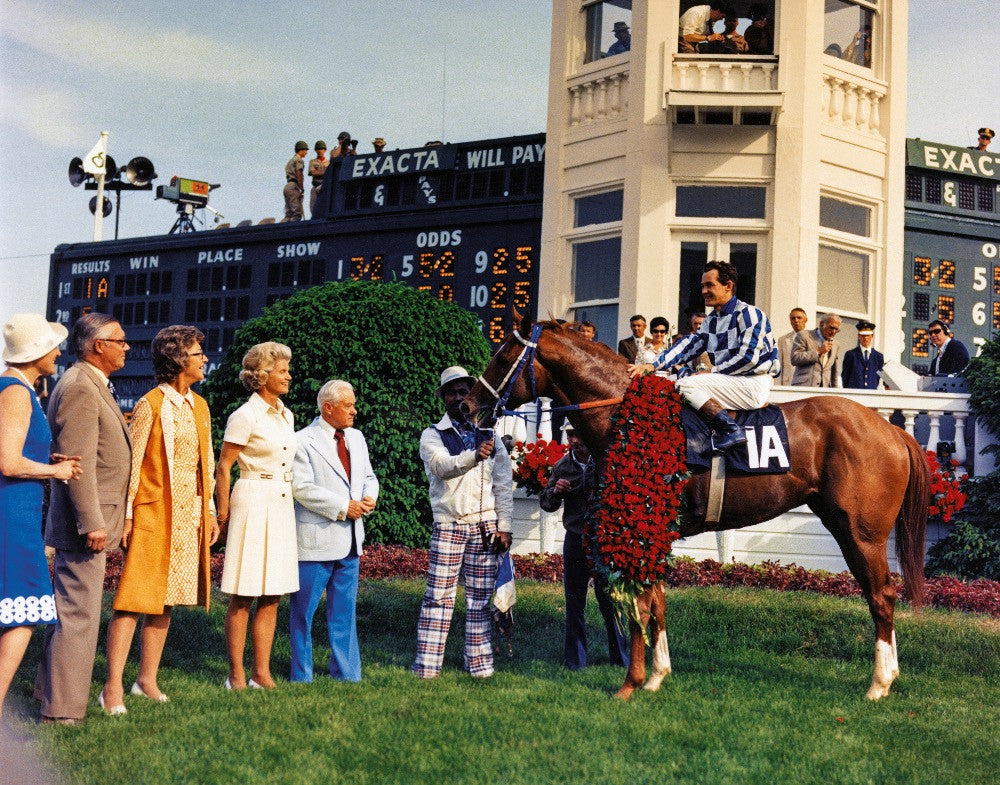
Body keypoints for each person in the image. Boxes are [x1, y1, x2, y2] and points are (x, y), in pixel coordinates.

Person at [99, 325, 219, 713]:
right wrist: (130, 516)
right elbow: (133, 465)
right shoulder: (150, 404)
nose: (204, 359)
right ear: (178, 359)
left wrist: (211, 510)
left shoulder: (200, 406)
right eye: (198, 353)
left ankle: (146, 680)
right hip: (152, 512)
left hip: (190, 514)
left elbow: (209, 463)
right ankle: (112, 687)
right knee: (134, 598)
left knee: (166, 598)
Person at [35, 312, 131, 725]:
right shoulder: (80, 387)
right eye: (120, 341)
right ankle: (62, 711)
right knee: (79, 615)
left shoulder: (89, 383)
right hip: (86, 524)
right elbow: (78, 464)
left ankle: (48, 692)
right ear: (98, 346)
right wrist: (92, 521)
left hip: (94, 518)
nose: (127, 347)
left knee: (71, 612)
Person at [0, 315, 80, 726]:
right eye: (52, 346)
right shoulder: (15, 391)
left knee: (15, 609)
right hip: (11, 515)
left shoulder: (17, 389)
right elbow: (8, 462)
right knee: (24, 611)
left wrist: (47, 460)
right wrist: (56, 472)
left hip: (17, 510)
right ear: (34, 354)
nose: (58, 353)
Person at [412, 367, 513, 679]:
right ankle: (427, 667)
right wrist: (474, 456)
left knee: (481, 599)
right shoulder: (432, 434)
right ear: (443, 397)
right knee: (438, 597)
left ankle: (479, 666)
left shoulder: (490, 435)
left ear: (472, 396)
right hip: (449, 523)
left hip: (486, 526)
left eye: (464, 392)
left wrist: (505, 525)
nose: (459, 398)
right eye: (452, 392)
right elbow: (443, 467)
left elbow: (504, 484)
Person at [216, 343, 300, 690]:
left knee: (273, 593)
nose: (288, 376)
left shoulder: (287, 414)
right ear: (263, 376)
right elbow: (224, 466)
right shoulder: (244, 416)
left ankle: (260, 673)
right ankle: (236, 673)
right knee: (244, 592)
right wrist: (222, 514)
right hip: (251, 501)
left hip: (281, 504)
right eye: (282, 371)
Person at [629, 261, 778, 453]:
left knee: (684, 385)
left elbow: (748, 358)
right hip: (730, 381)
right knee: (668, 380)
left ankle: (731, 429)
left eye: (709, 285)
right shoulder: (712, 320)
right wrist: (651, 366)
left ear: (728, 286)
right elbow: (687, 346)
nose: (704, 291)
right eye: (702, 286)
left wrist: (710, 371)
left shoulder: (750, 314)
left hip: (752, 383)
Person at [290, 380, 378, 683]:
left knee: (345, 614)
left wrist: (370, 496)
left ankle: (348, 675)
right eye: (348, 405)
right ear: (328, 408)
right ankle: (302, 675)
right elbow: (301, 488)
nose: (355, 410)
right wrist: (343, 506)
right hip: (315, 543)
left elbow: (368, 476)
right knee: (303, 614)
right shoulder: (301, 440)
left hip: (351, 541)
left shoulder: (357, 438)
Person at [540, 422, 627, 671]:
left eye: (579, 433)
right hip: (575, 540)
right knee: (574, 602)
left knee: (611, 601)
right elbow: (546, 503)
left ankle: (621, 660)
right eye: (570, 435)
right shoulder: (562, 467)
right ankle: (575, 662)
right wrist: (556, 492)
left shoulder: (605, 461)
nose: (575, 440)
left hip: (604, 542)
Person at [791, 313, 843, 387]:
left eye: (836, 329)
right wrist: (818, 351)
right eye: (831, 328)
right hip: (804, 387)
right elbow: (795, 358)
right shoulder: (803, 335)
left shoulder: (836, 344)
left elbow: (834, 371)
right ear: (821, 324)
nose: (834, 332)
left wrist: (835, 390)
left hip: (824, 389)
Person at [841, 320, 884, 390]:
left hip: (871, 393)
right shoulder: (851, 355)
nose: (865, 338)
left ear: (872, 336)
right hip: (854, 393)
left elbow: (877, 378)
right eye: (863, 335)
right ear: (859, 336)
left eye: (868, 335)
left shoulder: (878, 357)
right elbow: (845, 377)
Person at [777, 308, 808, 386]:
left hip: (806, 382)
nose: (796, 320)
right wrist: (778, 385)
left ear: (806, 320)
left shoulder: (813, 339)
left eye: (799, 318)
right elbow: (779, 365)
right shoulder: (783, 340)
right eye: (793, 318)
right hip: (788, 382)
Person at [283, 141, 308, 222]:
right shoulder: (298, 160)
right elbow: (299, 173)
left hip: (287, 186)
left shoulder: (290, 161)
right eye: (305, 150)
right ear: (301, 150)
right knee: (297, 214)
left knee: (288, 214)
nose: (306, 152)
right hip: (294, 186)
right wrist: (301, 188)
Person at [308, 141, 329, 218]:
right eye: (318, 149)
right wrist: (325, 171)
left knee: (324, 207)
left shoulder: (328, 162)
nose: (320, 150)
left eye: (322, 148)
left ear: (325, 150)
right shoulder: (313, 162)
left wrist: (319, 172)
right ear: (315, 150)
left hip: (324, 186)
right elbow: (313, 173)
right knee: (313, 207)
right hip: (315, 185)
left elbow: (329, 174)